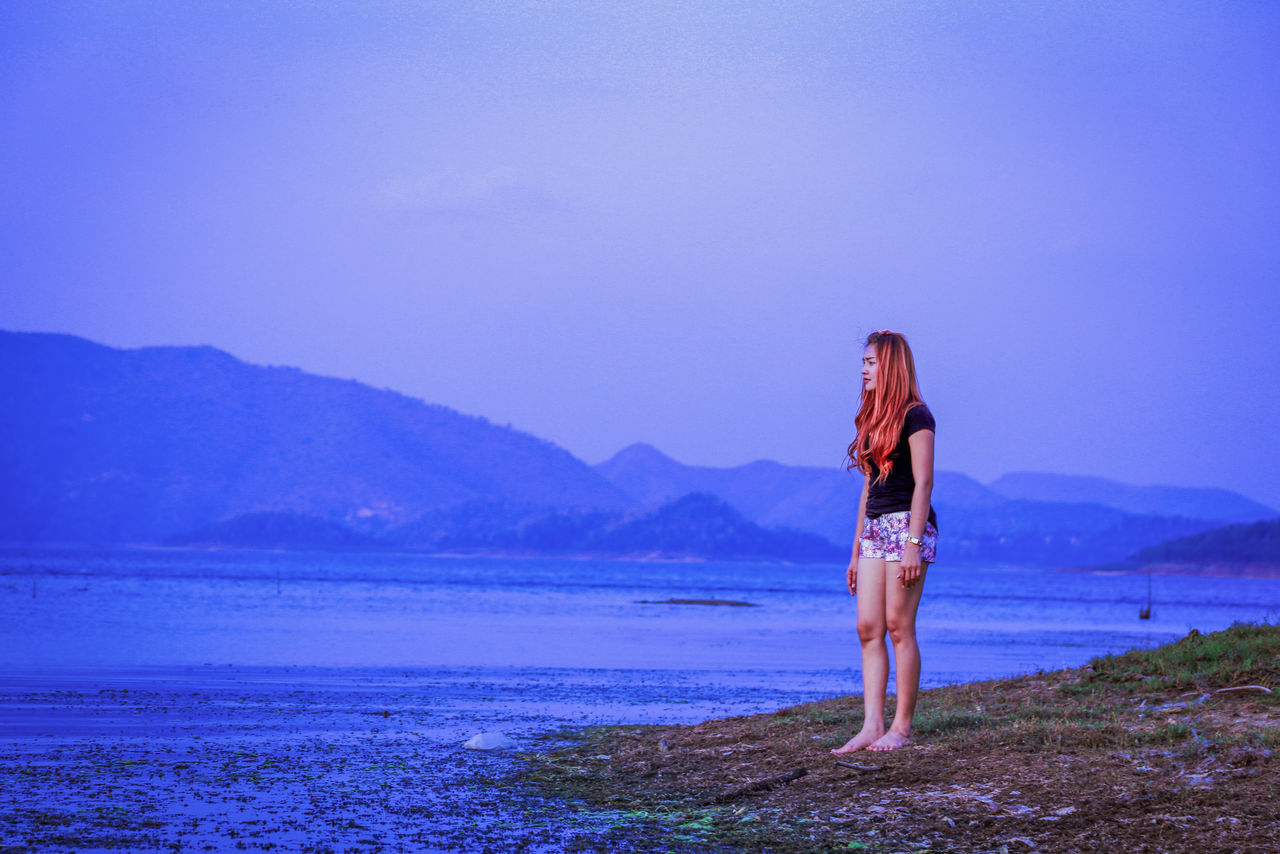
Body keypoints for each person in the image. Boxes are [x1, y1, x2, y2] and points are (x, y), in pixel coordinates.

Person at [832, 330, 937, 753]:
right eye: (863, 362)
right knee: (867, 628)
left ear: (890, 365)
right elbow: (868, 487)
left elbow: (924, 482)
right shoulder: (874, 419)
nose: (863, 369)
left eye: (871, 362)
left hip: (907, 526)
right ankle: (872, 725)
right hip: (875, 528)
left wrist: (913, 543)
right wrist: (856, 550)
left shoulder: (917, 415)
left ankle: (902, 728)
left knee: (898, 626)